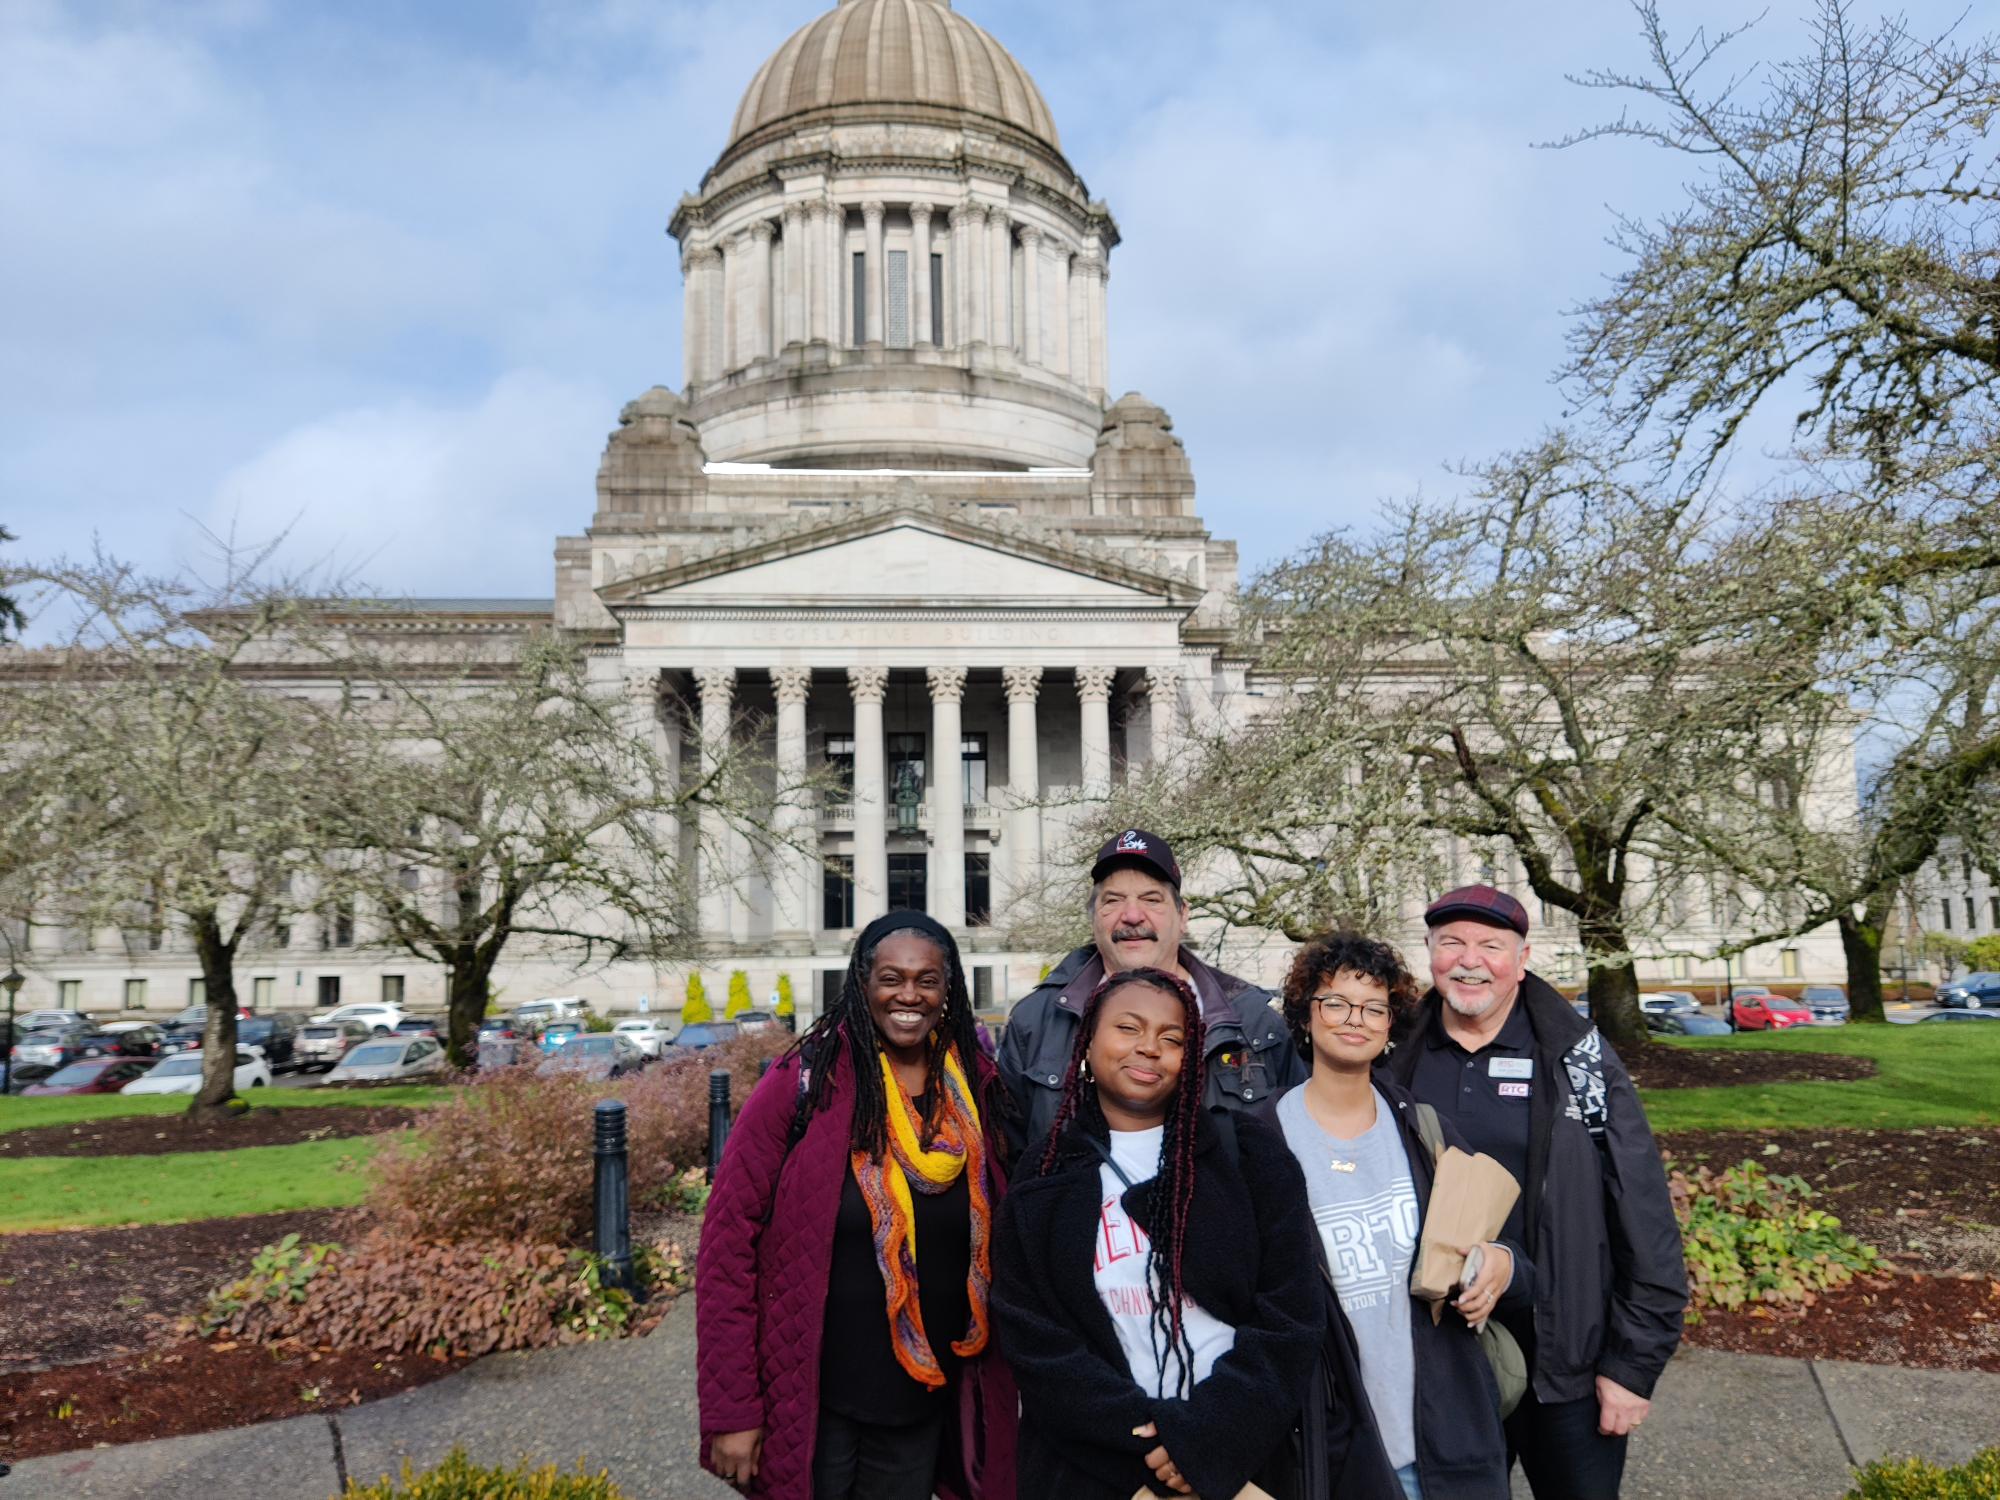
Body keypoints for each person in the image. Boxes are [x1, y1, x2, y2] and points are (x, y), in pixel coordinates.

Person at [695, 911, 1017, 1500]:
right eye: (891, 977)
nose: (909, 996)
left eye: (928, 979)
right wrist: (731, 1407)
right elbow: (726, 1244)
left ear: (949, 990)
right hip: (813, 1399)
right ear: (862, 982)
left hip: (923, 1401)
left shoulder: (978, 1088)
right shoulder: (805, 1081)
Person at [1382, 886, 1687, 1500]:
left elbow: (1644, 1214)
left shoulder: (1579, 1061)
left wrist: (1632, 1367)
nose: (1470, 960)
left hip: (1565, 1363)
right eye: (1453, 943)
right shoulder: (1394, 1057)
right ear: (1429, 953)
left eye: (1491, 946)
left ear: (1522, 960)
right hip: (1442, 1362)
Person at [992, 966, 1321, 1500]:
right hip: (1096, 1472)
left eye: (1172, 1039)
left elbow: (1290, 1315)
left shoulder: (1248, 1156)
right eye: (1128, 1028)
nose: (1149, 1048)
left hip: (1238, 1467)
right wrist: (1149, 1440)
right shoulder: (1042, 1175)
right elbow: (1034, 1340)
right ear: (1086, 1043)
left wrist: (1208, 1437)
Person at [1256, 931, 1532, 1500]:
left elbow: (1512, 1258)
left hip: (1451, 1442)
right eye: (1335, 1001)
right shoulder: (1259, 1142)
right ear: (1305, 1016)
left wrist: (1501, 1264)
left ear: (1389, 1026)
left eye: (1374, 1006)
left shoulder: (1421, 1129)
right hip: (1334, 1455)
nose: (1354, 1018)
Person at [997, 828, 1305, 1156]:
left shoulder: (1253, 1022)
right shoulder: (1036, 1021)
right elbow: (1010, 1161)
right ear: (1093, 918)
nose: (1131, 916)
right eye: (1113, 900)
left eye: (1151, 899)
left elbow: (1298, 1145)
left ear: (1183, 915)